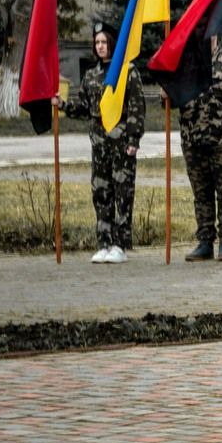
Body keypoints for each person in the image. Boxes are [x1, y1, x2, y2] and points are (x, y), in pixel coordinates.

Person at [60, 23, 142, 264]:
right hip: (100, 145)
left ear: (112, 45)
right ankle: (104, 242)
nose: (100, 46)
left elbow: (137, 108)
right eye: (97, 43)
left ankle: (120, 244)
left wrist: (133, 139)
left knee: (122, 194)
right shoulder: (91, 75)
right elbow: (85, 107)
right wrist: (62, 105)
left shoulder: (127, 72)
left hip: (121, 143)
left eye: (104, 42)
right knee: (101, 192)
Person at [180, 37, 222, 262]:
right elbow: (175, 97)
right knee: (201, 194)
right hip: (193, 139)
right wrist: (166, 97)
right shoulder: (186, 63)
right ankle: (205, 241)